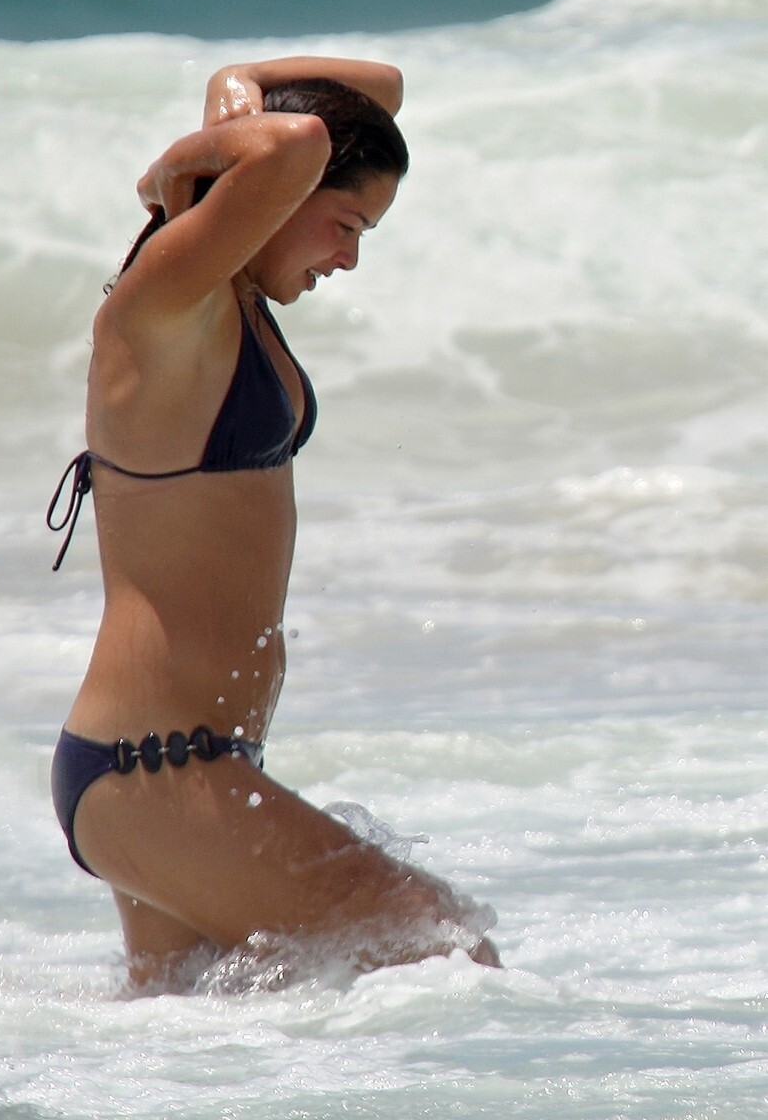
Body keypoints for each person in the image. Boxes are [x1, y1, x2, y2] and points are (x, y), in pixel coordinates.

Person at [47, 56, 500, 985]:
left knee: (202, 1044)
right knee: (449, 953)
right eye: (346, 226)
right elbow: (298, 139)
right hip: (157, 770)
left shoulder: (232, 301)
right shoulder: (164, 301)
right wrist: (192, 153)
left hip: (176, 770)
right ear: (280, 195)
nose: (350, 259)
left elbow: (379, 90)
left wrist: (241, 77)